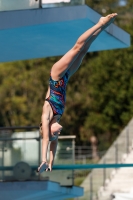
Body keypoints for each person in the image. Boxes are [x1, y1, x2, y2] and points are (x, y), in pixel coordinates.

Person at [37, 13, 118, 173]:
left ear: (47, 128)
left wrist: (44, 160)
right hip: (65, 78)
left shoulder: (46, 115)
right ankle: (102, 28)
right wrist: (52, 162)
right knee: (84, 51)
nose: (58, 132)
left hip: (56, 76)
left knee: (78, 47)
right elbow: (54, 143)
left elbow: (47, 140)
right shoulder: (57, 118)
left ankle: (100, 23)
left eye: (55, 133)